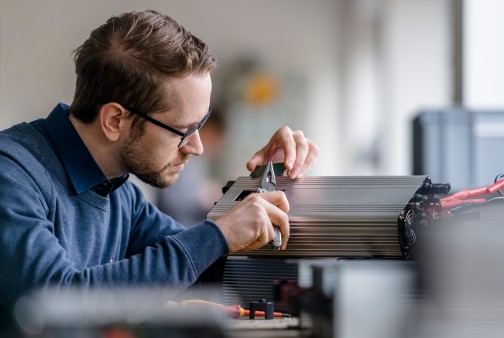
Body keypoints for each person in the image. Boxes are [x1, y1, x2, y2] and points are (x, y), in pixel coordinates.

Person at [0, 9, 318, 327]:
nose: (197, 147)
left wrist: (265, 184)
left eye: (202, 123)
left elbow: (206, 267)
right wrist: (218, 233)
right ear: (115, 120)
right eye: (182, 130)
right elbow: (55, 306)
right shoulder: (11, 174)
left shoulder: (119, 194)